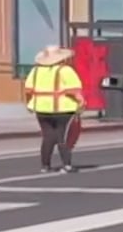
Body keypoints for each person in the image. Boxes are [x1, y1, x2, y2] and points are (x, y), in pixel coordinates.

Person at [22, 45, 85, 173]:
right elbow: (74, 90)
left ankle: (45, 166)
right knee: (63, 136)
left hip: (41, 109)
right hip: (63, 108)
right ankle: (66, 165)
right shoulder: (65, 70)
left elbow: (28, 91)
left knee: (48, 136)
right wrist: (81, 102)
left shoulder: (35, 71)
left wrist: (29, 104)